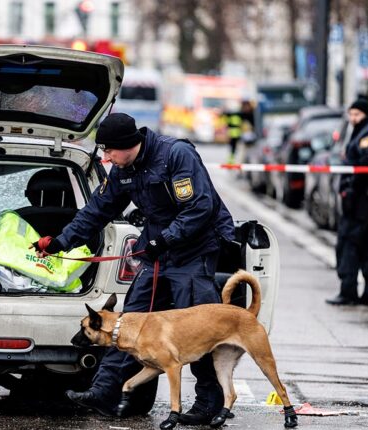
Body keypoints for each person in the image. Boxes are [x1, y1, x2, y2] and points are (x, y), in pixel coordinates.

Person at [32, 113, 236, 424]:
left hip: (193, 252)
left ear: (129, 145)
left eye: (109, 151)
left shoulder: (175, 155)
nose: (106, 158)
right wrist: (61, 242)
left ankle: (208, 403)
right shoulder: (123, 169)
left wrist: (165, 240)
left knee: (197, 330)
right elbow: (97, 210)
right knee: (124, 325)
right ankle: (103, 391)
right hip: (158, 254)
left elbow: (199, 207)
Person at [326, 100, 368, 306]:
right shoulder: (362, 132)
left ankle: (350, 291)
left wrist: (351, 189)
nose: (353, 119)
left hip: (363, 202)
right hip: (366, 201)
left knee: (350, 245)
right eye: (351, 114)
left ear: (366, 115)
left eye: (357, 115)